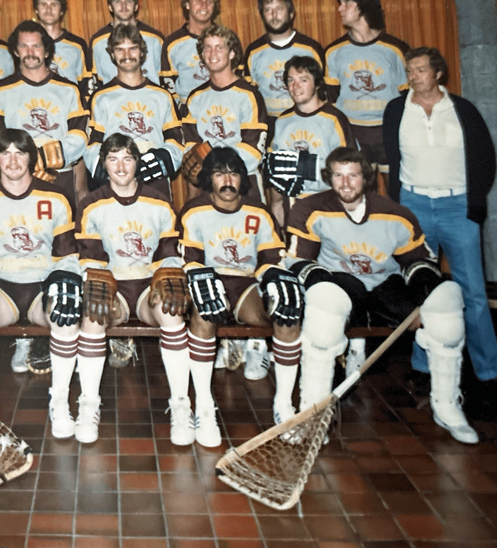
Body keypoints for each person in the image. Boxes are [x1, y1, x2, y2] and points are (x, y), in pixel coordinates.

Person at [287, 146, 478, 444]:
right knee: (323, 303)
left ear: (367, 177)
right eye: (338, 175)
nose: (346, 183)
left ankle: (447, 404)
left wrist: (426, 293)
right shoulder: (310, 209)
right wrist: (320, 284)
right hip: (341, 285)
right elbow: (299, 262)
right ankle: (312, 412)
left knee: (447, 298)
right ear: (329, 178)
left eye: (353, 175)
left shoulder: (395, 214)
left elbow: (419, 262)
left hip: (384, 287)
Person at [383, 47, 497, 383]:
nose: (413, 76)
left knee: (473, 291)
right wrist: (400, 206)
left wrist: (474, 203)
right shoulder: (396, 110)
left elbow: (486, 160)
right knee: (422, 288)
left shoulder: (461, 110)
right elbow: (392, 159)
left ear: (438, 74)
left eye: (420, 70)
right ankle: (422, 363)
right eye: (409, 70)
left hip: (457, 208)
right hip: (415, 207)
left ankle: (487, 368)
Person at [0, 128, 81, 435]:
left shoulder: (54, 197)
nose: (12, 161)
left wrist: (65, 278)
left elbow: (66, 254)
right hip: (4, 288)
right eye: (4, 152)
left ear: (32, 157)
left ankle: (61, 402)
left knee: (67, 315)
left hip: (42, 285)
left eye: (20, 152)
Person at [179, 148, 302, 442]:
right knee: (204, 313)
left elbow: (270, 259)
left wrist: (273, 279)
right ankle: (205, 406)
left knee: (287, 314)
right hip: (208, 283)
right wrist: (203, 280)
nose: (227, 180)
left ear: (242, 177)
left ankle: (284, 404)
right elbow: (189, 260)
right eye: (219, 173)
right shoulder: (194, 210)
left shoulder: (258, 211)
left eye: (233, 173)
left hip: (245, 284)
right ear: (209, 178)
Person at [76, 132, 192, 445]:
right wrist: (96, 278)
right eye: (113, 159)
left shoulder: (159, 200)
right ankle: (88, 404)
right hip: (113, 288)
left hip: (145, 287)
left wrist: (168, 273)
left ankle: (181, 405)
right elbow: (90, 258)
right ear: (104, 164)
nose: (121, 166)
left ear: (137, 162)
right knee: (92, 314)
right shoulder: (91, 204)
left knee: (172, 313)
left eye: (127, 158)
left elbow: (169, 252)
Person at [0, 20, 89, 207]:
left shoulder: (69, 90)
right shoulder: (0, 90)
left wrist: (44, 158)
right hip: (15, 176)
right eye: (24, 46)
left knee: (61, 234)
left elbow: (80, 135)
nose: (30, 53)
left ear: (46, 51)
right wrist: (23, 162)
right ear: (16, 51)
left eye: (36, 46)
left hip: (59, 176)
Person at [85, 23, 183, 199]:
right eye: (120, 50)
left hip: (155, 182)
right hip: (116, 182)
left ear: (142, 52)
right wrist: (107, 167)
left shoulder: (162, 96)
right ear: (112, 55)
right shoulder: (101, 97)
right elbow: (93, 144)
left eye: (132, 49)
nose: (127, 55)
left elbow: (177, 140)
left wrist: (160, 160)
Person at [324, 0, 408, 175]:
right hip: (354, 133)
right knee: (362, 197)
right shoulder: (333, 51)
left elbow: (407, 97)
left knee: (394, 196)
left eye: (346, 3)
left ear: (362, 6)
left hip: (389, 131)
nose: (339, 9)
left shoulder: (397, 49)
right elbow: (332, 99)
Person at [264, 56, 357, 229]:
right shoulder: (282, 121)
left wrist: (303, 167)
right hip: (293, 206)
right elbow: (275, 177)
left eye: (303, 80)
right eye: (291, 80)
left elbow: (350, 171)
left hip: (328, 205)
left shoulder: (334, 119)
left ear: (317, 83)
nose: (295, 86)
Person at [181, 24, 268, 202]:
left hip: (245, 185)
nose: (213, 54)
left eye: (219, 47)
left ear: (232, 53)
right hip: (208, 186)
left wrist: (214, 163)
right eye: (208, 48)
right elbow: (191, 145)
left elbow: (253, 150)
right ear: (202, 55)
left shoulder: (249, 95)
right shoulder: (195, 97)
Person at [243, 0, 324, 125]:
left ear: (291, 13)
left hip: (307, 122)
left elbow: (324, 93)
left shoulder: (311, 49)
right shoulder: (253, 51)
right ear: (262, 15)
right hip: (269, 126)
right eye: (268, 10)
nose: (274, 15)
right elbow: (249, 97)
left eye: (279, 9)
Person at [89, 0, 164, 86]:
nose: (124, 6)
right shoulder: (97, 42)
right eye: (118, 1)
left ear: (136, 6)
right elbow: (95, 82)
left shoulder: (155, 39)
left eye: (128, 1)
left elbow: (164, 79)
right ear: (110, 7)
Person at [160, 0, 220, 105]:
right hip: (188, 116)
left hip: (222, 110)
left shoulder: (226, 39)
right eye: (199, 1)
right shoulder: (172, 44)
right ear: (187, 5)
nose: (204, 6)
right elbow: (168, 88)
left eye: (209, 2)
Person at [32, 0, 93, 100]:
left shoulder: (77, 45)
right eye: (43, 4)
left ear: (61, 11)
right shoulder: (27, 44)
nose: (48, 9)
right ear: (36, 10)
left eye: (54, 4)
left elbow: (86, 84)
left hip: (70, 110)